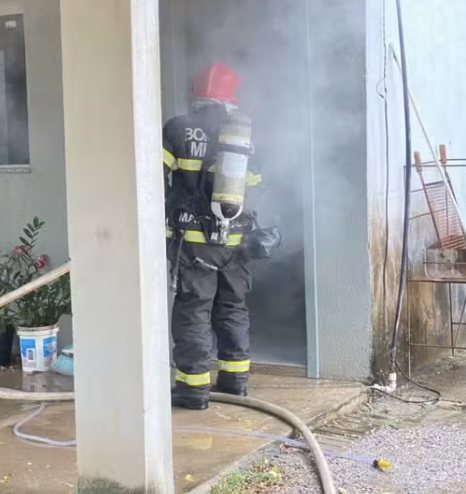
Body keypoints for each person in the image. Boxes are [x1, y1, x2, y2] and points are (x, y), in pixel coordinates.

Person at [163, 62, 262, 410]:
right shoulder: (243, 133)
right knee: (233, 308)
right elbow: (256, 187)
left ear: (196, 95)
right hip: (236, 244)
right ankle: (235, 383)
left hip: (193, 243)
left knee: (194, 310)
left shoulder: (177, 129)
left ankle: (193, 389)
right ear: (231, 98)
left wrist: (171, 215)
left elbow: (152, 178)